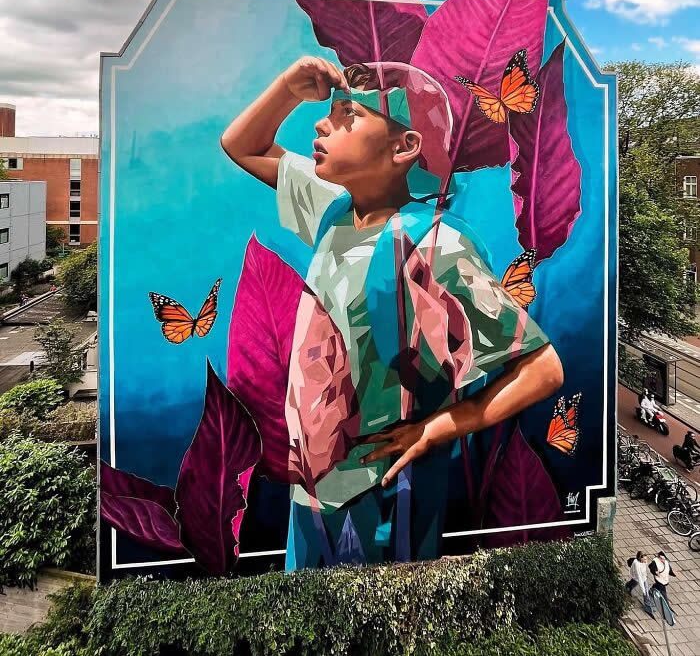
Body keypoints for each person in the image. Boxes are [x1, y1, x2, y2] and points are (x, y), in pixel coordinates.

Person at [221, 56, 564, 569]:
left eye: (348, 117)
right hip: (314, 492)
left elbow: (543, 368)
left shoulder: (435, 243)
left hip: (383, 500)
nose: (322, 124)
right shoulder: (335, 210)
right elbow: (240, 145)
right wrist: (287, 87)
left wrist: (442, 426)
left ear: (404, 148)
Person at [626, 551, 654, 618]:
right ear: (640, 558)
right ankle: (627, 587)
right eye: (644, 559)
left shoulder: (643, 562)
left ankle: (648, 608)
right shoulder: (637, 565)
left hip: (643, 577)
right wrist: (643, 590)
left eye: (646, 559)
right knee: (636, 585)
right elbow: (639, 578)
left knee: (646, 592)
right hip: (638, 578)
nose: (646, 560)